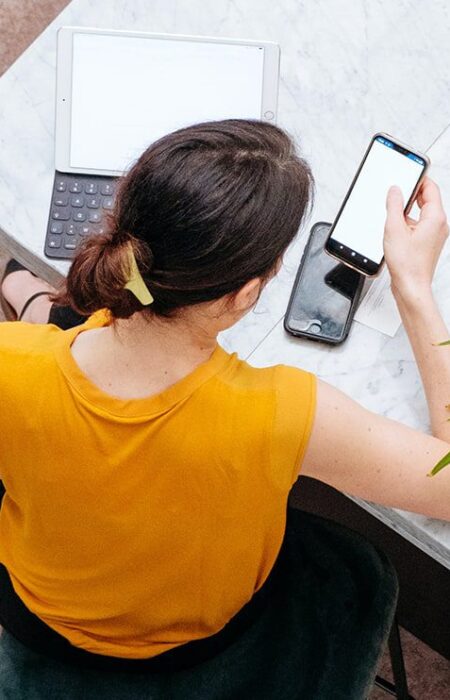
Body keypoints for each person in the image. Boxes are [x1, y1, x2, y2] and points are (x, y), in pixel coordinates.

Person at [0, 119, 449, 696]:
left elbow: (59, 347)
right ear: (243, 295)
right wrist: (414, 287)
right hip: (211, 645)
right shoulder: (283, 412)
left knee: (52, 315)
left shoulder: (13, 360)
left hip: (38, 619)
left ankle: (28, 290)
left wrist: (36, 303)